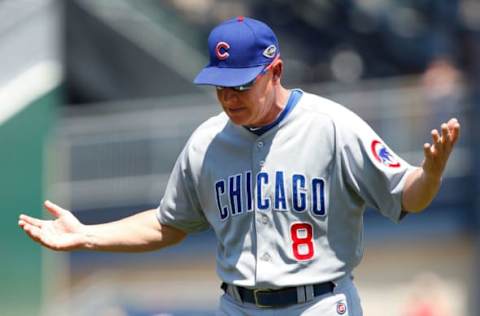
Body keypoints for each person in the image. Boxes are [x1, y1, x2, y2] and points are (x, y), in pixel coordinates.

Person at [18, 17, 460, 315]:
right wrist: (87, 236)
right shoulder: (206, 142)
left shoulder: (331, 126)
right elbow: (169, 223)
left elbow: (407, 196)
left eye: (241, 85)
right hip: (237, 306)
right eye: (221, 86)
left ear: (276, 70)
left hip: (319, 305)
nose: (230, 97)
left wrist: (431, 173)